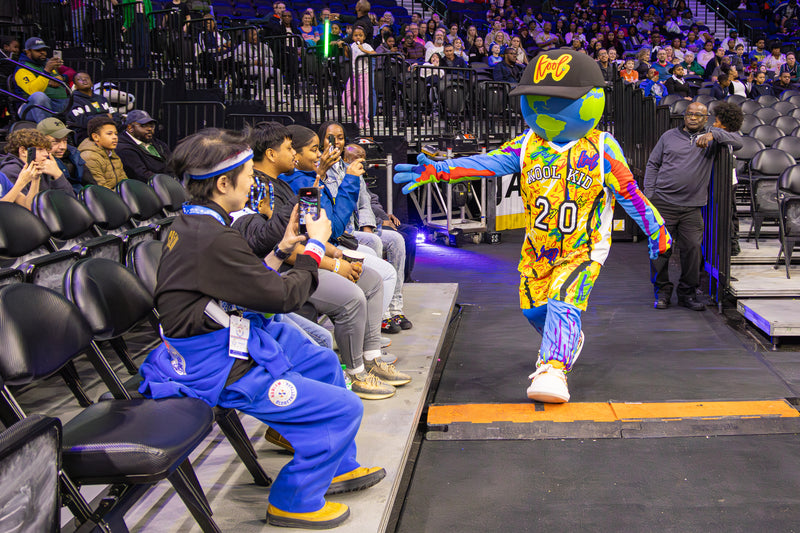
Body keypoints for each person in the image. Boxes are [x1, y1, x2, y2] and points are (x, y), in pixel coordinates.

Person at [137, 128, 386, 529]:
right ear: (223, 184)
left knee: (324, 362)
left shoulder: (198, 224)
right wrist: (314, 247)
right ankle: (293, 500)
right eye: (248, 175)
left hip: (227, 336)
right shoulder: (210, 238)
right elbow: (282, 297)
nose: (253, 182)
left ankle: (337, 465)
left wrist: (284, 248)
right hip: (216, 364)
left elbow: (246, 281)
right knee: (345, 408)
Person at [394, 50, 671, 404]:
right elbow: (487, 163)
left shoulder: (602, 148)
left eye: (558, 101)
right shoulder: (528, 144)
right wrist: (440, 169)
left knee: (563, 298)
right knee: (534, 310)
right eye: (537, 101)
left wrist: (656, 230)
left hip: (583, 248)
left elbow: (630, 193)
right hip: (538, 249)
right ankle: (567, 337)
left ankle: (553, 368)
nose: (546, 110)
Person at [235, 123, 409, 397]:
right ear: (271, 154)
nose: (295, 155)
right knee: (353, 298)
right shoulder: (260, 188)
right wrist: (335, 264)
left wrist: (334, 252)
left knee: (373, 279)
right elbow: (285, 244)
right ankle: (356, 374)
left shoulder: (284, 183)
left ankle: (371, 357)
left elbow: (310, 228)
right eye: (291, 148)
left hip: (309, 256)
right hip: (285, 269)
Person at [645, 102, 742, 311]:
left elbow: (739, 141)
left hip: (692, 206)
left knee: (693, 251)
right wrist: (649, 194)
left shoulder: (712, 136)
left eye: (698, 115)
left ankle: (687, 294)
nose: (693, 117)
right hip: (663, 202)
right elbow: (653, 164)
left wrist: (714, 135)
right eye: (690, 114)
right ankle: (662, 292)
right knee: (660, 251)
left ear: (706, 118)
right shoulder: (668, 136)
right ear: (684, 116)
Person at [317, 121, 403, 334]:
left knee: (396, 240)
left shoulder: (349, 166)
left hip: (358, 228)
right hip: (341, 232)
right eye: (331, 138)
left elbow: (365, 201)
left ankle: (395, 308)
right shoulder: (319, 169)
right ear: (321, 141)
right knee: (373, 242)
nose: (336, 142)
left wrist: (367, 226)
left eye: (340, 138)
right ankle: (379, 314)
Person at [0, 128, 75, 197]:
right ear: (23, 151)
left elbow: (70, 200)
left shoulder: (44, 167)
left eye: (46, 149)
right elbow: (26, 205)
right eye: (40, 149)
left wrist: (58, 174)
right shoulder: (11, 171)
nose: (46, 154)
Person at [712, 101, 745, 257]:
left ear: (724, 125)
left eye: (716, 121)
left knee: (730, 213)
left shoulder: (730, 137)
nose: (713, 124)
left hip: (728, 181)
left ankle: (732, 244)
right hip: (722, 180)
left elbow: (739, 142)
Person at [13, 37, 69, 123]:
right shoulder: (22, 68)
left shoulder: (46, 62)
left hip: (59, 104)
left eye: (44, 49)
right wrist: (46, 71)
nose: (43, 52)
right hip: (31, 108)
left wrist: (62, 77)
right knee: (39, 96)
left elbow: (70, 72)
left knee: (76, 95)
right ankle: (46, 128)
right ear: (28, 52)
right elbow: (33, 91)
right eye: (38, 50)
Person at [36, 117, 94, 194]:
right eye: (55, 142)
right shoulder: (38, 164)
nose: (63, 147)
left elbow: (91, 184)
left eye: (65, 140)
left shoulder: (74, 153)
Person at [115, 110, 172, 182]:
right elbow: (141, 174)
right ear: (130, 128)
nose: (149, 129)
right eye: (143, 126)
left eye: (151, 126)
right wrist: (166, 181)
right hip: (148, 185)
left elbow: (172, 165)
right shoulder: (123, 148)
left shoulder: (159, 144)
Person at [78, 116, 128, 189]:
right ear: (95, 137)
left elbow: (124, 181)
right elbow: (101, 190)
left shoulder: (111, 152)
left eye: (116, 134)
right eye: (109, 134)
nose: (115, 137)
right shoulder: (90, 157)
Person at [65, 71, 115, 144]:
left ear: (92, 83)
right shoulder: (72, 100)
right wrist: (105, 116)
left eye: (86, 78)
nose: (84, 80)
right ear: (75, 86)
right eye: (79, 79)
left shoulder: (102, 98)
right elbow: (83, 122)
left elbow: (114, 115)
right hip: (86, 135)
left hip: (108, 130)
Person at [340, 26, 374, 130]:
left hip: (364, 74)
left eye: (360, 35)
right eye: (355, 35)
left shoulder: (366, 46)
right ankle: (355, 116)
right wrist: (344, 48)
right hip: (354, 74)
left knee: (363, 99)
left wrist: (363, 50)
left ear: (364, 37)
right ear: (352, 37)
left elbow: (374, 54)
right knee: (346, 96)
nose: (358, 37)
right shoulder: (352, 45)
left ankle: (364, 119)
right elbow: (348, 56)